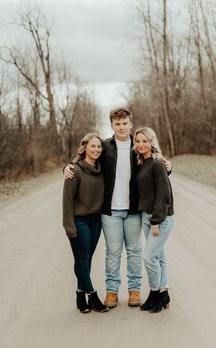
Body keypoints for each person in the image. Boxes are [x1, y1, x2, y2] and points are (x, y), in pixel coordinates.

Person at [64, 108, 172, 308]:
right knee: (112, 252)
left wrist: (169, 167)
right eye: (117, 124)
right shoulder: (105, 147)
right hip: (110, 211)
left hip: (133, 210)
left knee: (134, 251)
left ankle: (134, 290)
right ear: (112, 125)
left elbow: (155, 166)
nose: (121, 127)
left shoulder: (138, 146)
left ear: (130, 124)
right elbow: (87, 156)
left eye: (125, 123)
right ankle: (112, 292)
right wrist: (68, 166)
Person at [63, 133, 109, 314]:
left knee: (86, 259)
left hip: (95, 221)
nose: (96, 149)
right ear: (84, 148)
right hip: (79, 221)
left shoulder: (101, 168)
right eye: (93, 146)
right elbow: (67, 201)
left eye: (99, 146)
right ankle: (92, 294)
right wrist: (69, 227)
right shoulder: (74, 170)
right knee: (81, 258)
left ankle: (80, 295)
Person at [133, 126, 174, 313]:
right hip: (146, 215)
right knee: (158, 256)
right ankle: (162, 293)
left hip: (160, 218)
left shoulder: (158, 163)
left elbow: (163, 194)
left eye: (145, 141)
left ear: (152, 142)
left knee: (149, 257)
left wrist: (156, 220)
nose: (141, 145)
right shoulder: (142, 162)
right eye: (138, 141)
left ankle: (155, 293)